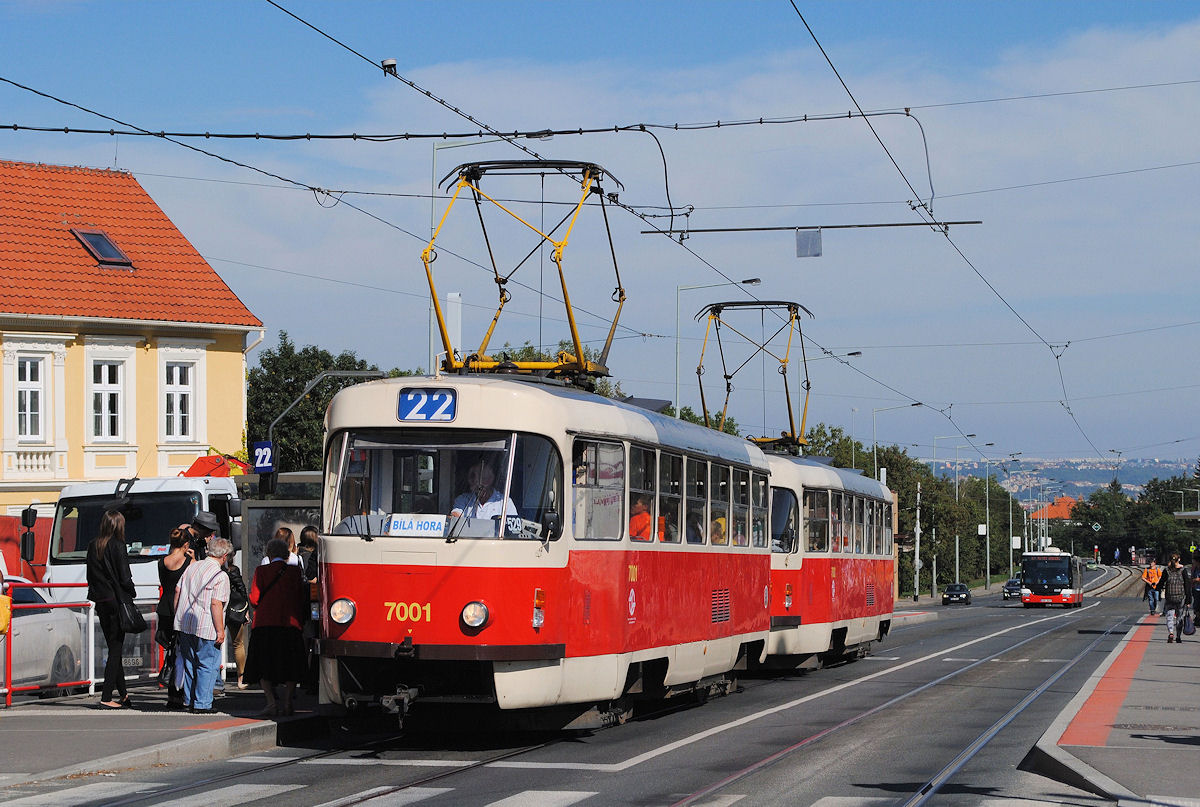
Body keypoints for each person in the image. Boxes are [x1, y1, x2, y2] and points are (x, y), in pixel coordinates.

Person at [244, 536, 308, 717]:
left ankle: (271, 703)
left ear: (269, 554)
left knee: (264, 664)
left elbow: (255, 598)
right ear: (287, 554)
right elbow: (300, 597)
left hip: (265, 623)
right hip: (291, 624)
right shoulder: (295, 572)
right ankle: (288, 702)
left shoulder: (261, 571)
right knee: (291, 665)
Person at [173, 536, 231, 714]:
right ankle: (203, 703)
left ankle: (189, 700)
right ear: (225, 556)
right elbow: (216, 604)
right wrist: (220, 631)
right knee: (207, 664)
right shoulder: (220, 576)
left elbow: (177, 591)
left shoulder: (192, 567)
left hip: (184, 623)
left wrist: (177, 616)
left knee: (190, 662)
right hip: (206, 625)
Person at [85, 510, 135, 709]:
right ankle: (106, 696)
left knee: (114, 647)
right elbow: (124, 577)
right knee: (116, 649)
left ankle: (123, 695)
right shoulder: (118, 545)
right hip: (116, 600)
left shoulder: (92, 545)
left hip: (101, 600)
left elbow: (90, 576)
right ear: (118, 526)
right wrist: (132, 591)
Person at [156, 527, 192, 708]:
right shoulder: (188, 562)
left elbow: (164, 583)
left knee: (170, 652)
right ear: (186, 545)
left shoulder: (162, 562)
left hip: (164, 608)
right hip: (181, 608)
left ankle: (171, 694)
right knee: (182, 652)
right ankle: (181, 692)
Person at [450, 459, 518, 521]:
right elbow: (455, 516)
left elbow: (513, 528)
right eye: (471, 476)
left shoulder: (505, 502)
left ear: (490, 479)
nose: (473, 481)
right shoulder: (463, 499)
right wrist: (454, 517)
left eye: (478, 476)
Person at [223, 556, 250, 690]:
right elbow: (242, 589)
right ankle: (241, 678)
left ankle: (215, 681)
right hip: (234, 609)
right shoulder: (233, 570)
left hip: (219, 608)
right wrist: (246, 609)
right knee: (238, 643)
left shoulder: (215, 569)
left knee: (214, 643)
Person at [1155, 553, 1192, 643]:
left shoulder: (1167, 570)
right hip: (1180, 598)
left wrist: (1157, 589)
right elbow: (1187, 585)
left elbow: (1161, 583)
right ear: (1179, 559)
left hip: (1169, 597)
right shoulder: (1183, 570)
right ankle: (1178, 636)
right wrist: (1188, 599)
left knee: (1169, 616)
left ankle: (1171, 632)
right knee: (1179, 617)